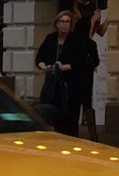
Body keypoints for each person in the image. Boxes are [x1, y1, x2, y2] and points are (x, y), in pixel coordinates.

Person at [37, 11, 99, 139]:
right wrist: (45, 67)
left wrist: (64, 67)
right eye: (62, 21)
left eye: (68, 22)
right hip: (53, 86)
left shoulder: (75, 40)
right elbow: (39, 58)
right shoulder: (50, 39)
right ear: (56, 24)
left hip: (71, 86)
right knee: (53, 116)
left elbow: (81, 62)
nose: (65, 25)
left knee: (70, 119)